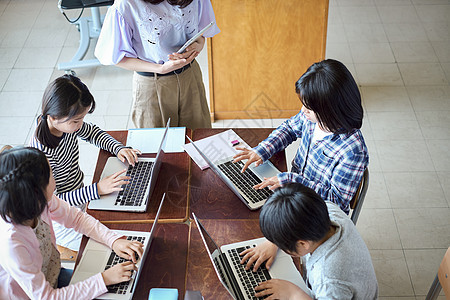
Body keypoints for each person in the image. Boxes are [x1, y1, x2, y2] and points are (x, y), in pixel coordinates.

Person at [0, 147, 144, 299]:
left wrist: (113, 240)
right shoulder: (12, 243)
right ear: (36, 193)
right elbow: (47, 297)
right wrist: (104, 279)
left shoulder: (38, 202)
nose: (54, 176)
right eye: (51, 174)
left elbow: (77, 218)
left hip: (53, 275)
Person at [234, 59, 368, 214]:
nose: (303, 110)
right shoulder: (312, 117)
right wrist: (262, 150)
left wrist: (292, 181)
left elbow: (336, 201)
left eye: (309, 108)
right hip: (295, 194)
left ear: (330, 109)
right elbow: (289, 128)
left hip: (319, 213)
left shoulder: (353, 151)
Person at [29, 74, 141, 251]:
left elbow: (93, 133)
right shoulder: (40, 154)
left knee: (124, 220)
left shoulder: (65, 125)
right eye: (76, 121)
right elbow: (52, 201)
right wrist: (97, 190)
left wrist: (118, 148)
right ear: (52, 117)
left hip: (80, 200)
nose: (80, 125)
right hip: (61, 221)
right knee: (108, 244)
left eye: (81, 118)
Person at [95, 0, 220, 130]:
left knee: (198, 138)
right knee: (156, 145)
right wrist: (160, 68)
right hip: (152, 83)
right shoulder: (126, 4)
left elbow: (201, 32)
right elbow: (117, 57)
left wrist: (198, 45)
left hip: (190, 75)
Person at [240, 183, 378, 300]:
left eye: (283, 244)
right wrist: (275, 239)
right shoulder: (329, 211)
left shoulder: (329, 280)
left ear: (303, 243)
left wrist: (292, 293)